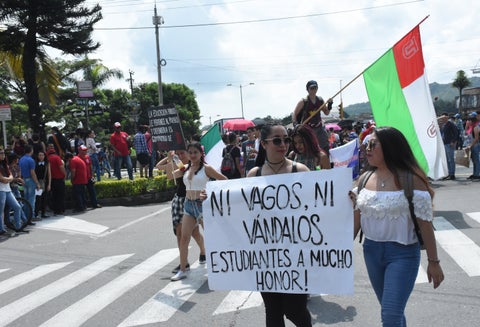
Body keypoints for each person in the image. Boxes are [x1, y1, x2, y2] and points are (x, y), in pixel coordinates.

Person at [349, 126, 444, 326]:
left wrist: (433, 262)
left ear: (391, 148)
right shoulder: (364, 179)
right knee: (391, 310)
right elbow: (355, 223)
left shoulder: (412, 180)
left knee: (390, 314)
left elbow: (425, 225)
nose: (367, 148)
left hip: (403, 255)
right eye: (366, 143)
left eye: (372, 144)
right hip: (371, 252)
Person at [246, 124, 311, 327]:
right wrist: (212, 199)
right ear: (264, 144)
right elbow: (241, 210)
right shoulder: (254, 175)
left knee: (294, 308)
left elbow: (320, 204)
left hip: (296, 254)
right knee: (272, 310)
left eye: (286, 139)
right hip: (266, 256)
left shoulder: (299, 170)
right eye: (277, 140)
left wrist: (345, 198)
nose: (283, 144)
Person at [170, 142, 227, 281]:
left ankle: (219, 267)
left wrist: (209, 192)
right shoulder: (185, 168)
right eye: (190, 152)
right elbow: (170, 175)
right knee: (184, 237)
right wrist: (170, 158)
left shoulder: (206, 168)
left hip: (203, 206)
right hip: (188, 205)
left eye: (196, 152)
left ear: (201, 154)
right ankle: (183, 270)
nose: (193, 155)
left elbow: (224, 180)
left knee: (212, 238)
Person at [156, 149, 205, 274]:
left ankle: (203, 251)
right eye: (179, 153)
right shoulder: (178, 165)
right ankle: (184, 263)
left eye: (183, 153)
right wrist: (168, 158)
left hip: (192, 200)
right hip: (179, 200)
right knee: (180, 233)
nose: (181, 155)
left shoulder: (193, 167)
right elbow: (161, 168)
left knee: (195, 233)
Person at [292, 80, 333, 153]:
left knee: (325, 147)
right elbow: (294, 114)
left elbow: (326, 112)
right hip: (308, 129)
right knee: (310, 148)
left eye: (315, 87)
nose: (314, 90)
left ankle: (325, 162)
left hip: (319, 128)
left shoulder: (320, 100)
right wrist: (296, 125)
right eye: (312, 88)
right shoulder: (303, 101)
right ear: (308, 89)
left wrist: (329, 105)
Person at [0, 148, 24, 236]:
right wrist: (8, 179)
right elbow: (2, 179)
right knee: (1, 211)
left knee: (17, 207)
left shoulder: (5, 164)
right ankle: (1, 229)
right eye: (1, 153)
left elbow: (10, 177)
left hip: (7, 189)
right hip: (1, 190)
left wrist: (8, 179)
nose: (3, 155)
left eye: (3, 153)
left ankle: (18, 227)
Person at [18, 145, 41, 214]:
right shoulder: (31, 160)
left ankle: (26, 216)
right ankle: (31, 216)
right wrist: (37, 183)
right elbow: (32, 172)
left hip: (24, 179)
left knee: (26, 198)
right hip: (30, 180)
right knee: (31, 199)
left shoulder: (21, 159)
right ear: (31, 150)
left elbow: (19, 171)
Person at [78, 145, 101, 209]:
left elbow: (90, 167)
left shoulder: (87, 157)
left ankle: (95, 204)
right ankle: (83, 205)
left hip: (88, 177)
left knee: (92, 191)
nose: (85, 152)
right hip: (82, 178)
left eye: (85, 150)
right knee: (82, 192)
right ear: (79, 151)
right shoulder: (77, 158)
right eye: (83, 150)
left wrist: (92, 175)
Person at [439, 113, 459, 180]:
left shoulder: (450, 124)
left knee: (451, 159)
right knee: (447, 159)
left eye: (444, 118)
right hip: (445, 143)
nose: (442, 119)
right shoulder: (444, 125)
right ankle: (448, 173)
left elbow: (456, 133)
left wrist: (453, 141)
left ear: (447, 117)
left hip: (449, 143)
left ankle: (452, 174)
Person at [47, 148, 66, 215]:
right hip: (59, 179)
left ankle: (55, 210)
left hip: (51, 180)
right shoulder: (57, 158)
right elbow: (61, 167)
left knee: (54, 195)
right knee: (61, 195)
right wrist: (65, 174)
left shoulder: (47, 159)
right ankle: (61, 209)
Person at [34, 150, 51, 219]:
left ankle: (43, 213)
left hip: (45, 183)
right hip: (38, 183)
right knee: (38, 198)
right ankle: (36, 213)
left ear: (44, 156)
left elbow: (49, 174)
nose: (41, 157)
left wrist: (49, 184)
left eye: (42, 155)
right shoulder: (35, 163)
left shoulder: (47, 163)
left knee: (45, 198)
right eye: (39, 155)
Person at [465, 112, 480, 180]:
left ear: (473, 121)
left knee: (476, 160)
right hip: (470, 145)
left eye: (469, 121)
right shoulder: (470, 128)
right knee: (473, 160)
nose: (468, 122)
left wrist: (471, 145)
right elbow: (466, 133)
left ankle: (477, 174)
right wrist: (466, 126)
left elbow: (476, 138)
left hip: (475, 145)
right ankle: (475, 173)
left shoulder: (476, 128)